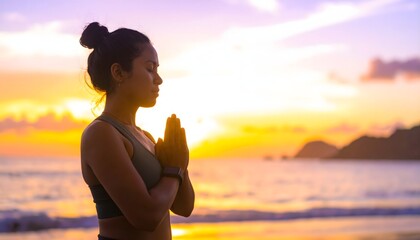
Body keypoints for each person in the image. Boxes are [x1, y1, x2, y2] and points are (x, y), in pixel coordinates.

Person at [79, 22, 195, 240]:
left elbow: (184, 207)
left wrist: (181, 166)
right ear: (119, 72)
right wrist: (174, 168)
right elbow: (146, 217)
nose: (158, 79)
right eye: (150, 69)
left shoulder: (146, 137)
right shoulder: (101, 134)